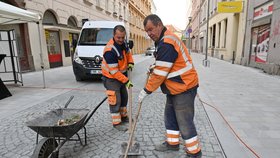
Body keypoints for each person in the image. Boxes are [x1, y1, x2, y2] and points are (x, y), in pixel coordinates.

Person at [138, 14, 202, 158]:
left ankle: (194, 153)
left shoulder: (167, 42)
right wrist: (155, 66)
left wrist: (146, 90)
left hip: (184, 87)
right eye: (146, 31)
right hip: (175, 87)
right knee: (170, 116)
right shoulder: (163, 39)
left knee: (184, 121)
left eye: (151, 29)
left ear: (159, 25)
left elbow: (161, 74)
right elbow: (166, 65)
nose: (149, 34)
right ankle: (172, 144)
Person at [101, 25, 134, 131]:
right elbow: (114, 72)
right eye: (118, 37)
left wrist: (130, 62)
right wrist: (127, 81)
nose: (120, 40)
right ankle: (116, 123)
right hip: (111, 78)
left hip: (121, 76)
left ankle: (124, 117)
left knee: (124, 97)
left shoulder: (123, 44)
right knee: (115, 100)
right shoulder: (109, 50)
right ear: (114, 35)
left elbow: (128, 53)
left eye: (122, 37)